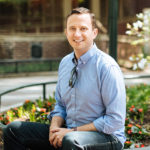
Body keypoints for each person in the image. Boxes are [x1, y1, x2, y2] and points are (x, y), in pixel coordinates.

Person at [2, 7, 126, 150]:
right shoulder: (65, 63)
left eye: (83, 28)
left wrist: (72, 132)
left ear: (94, 33)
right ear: (66, 32)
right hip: (70, 133)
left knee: (71, 141)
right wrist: (54, 129)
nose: (77, 34)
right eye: (72, 28)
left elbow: (115, 120)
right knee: (13, 130)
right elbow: (60, 105)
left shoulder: (106, 67)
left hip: (107, 137)